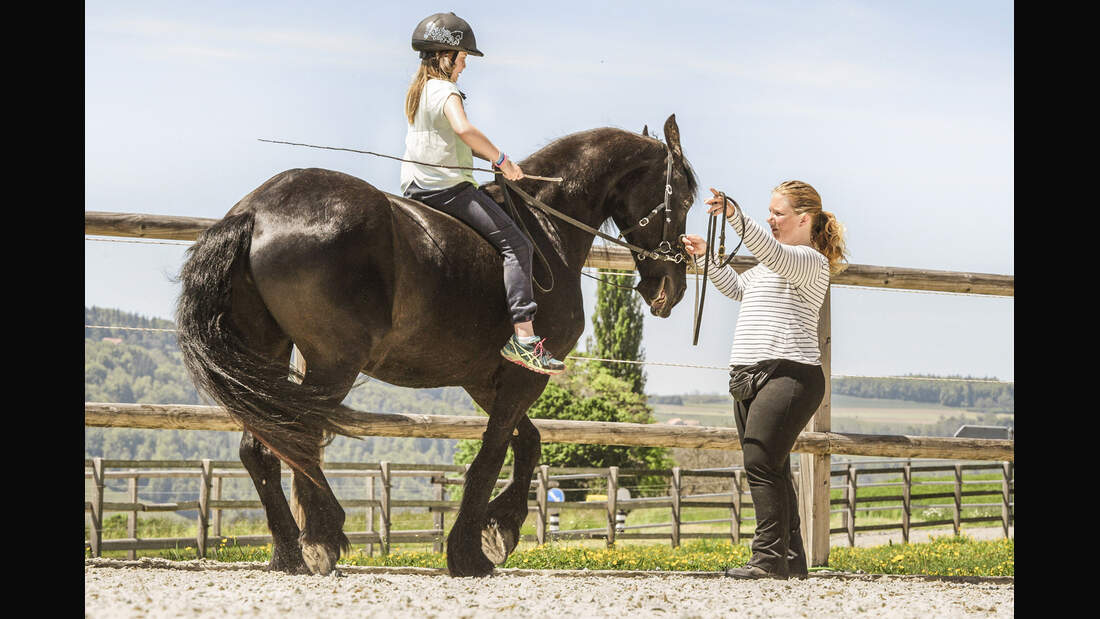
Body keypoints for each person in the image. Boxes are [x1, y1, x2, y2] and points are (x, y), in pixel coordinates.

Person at [680, 180, 848, 579]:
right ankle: (790, 559)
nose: (771, 219)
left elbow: (770, 251)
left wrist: (736, 217)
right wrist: (709, 261)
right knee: (770, 464)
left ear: (803, 219)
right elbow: (738, 289)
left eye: (778, 213)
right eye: (769, 213)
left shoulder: (809, 260)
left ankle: (767, 558)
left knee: (760, 460)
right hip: (750, 375)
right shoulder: (770, 267)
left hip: (789, 373)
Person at [400, 12, 564, 375]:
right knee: (517, 246)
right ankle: (523, 339)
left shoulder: (419, 91)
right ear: (446, 55)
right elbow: (463, 129)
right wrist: (501, 158)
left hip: (415, 187)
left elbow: (450, 139)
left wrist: (484, 157)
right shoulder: (446, 90)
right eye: (462, 59)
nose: (463, 67)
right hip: (446, 190)